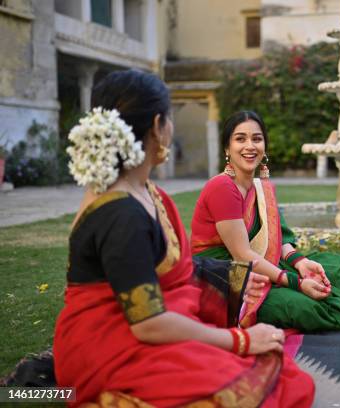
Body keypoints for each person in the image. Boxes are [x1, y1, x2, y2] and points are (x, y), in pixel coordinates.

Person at [53, 70, 314, 407]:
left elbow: (168, 268)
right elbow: (147, 324)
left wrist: (234, 279)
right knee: (256, 386)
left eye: (257, 138)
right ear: (159, 126)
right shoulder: (119, 213)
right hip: (109, 345)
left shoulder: (144, 190)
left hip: (144, 323)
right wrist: (240, 340)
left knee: (277, 373)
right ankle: (53, 384)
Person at [190, 111, 340, 333]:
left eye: (256, 139)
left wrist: (299, 262)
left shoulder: (262, 188)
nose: (250, 146)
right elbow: (242, 256)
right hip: (228, 278)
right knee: (308, 308)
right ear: (227, 149)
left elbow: (279, 237)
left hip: (260, 264)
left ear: (264, 147)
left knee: (330, 269)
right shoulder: (222, 187)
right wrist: (296, 282)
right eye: (240, 139)